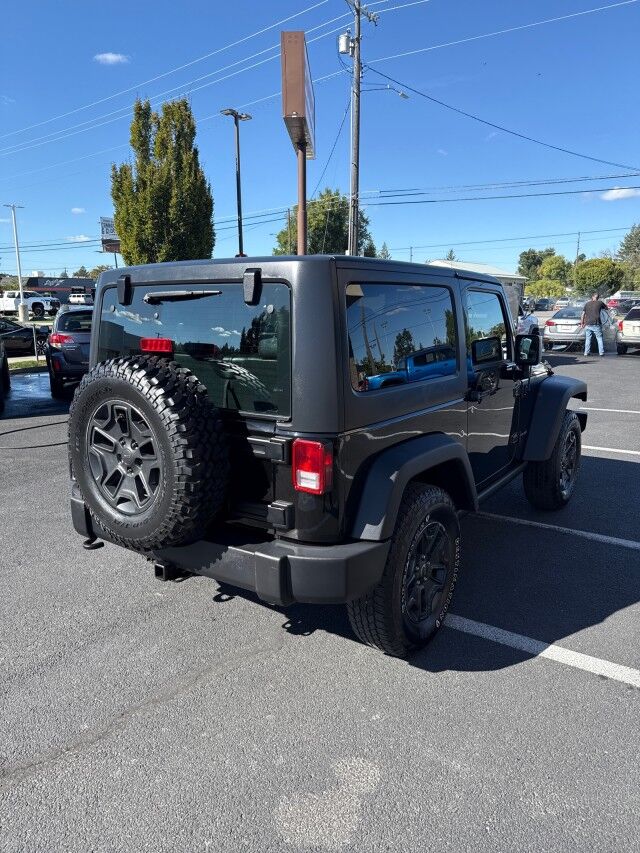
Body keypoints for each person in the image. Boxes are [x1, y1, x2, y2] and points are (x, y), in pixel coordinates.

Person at [581, 292, 608, 357]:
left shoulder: (587, 304)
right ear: (598, 297)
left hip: (588, 324)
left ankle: (586, 353)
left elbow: (583, 314)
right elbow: (606, 308)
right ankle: (601, 353)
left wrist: (582, 323)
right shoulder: (600, 303)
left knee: (588, 339)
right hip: (596, 324)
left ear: (592, 297)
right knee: (599, 338)